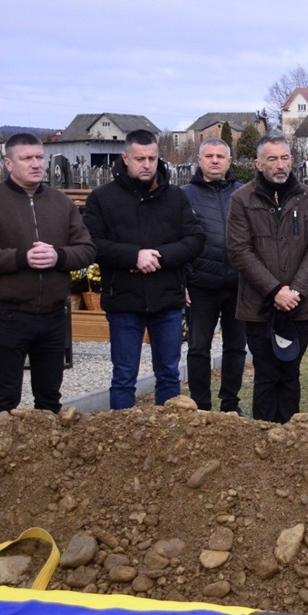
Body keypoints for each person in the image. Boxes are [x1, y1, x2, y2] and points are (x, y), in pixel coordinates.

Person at [0, 133, 96, 415]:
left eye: (39, 157)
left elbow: (86, 250)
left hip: (54, 315)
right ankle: (1, 457)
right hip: (9, 314)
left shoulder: (60, 202)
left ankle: (45, 455)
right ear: (8, 163)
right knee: (6, 397)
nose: (36, 164)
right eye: (27, 158)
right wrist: (21, 258)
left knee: (49, 398)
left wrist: (59, 256)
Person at [84, 130, 204, 410]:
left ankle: (168, 436)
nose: (147, 164)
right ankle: (123, 437)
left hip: (167, 299)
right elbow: (91, 243)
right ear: (125, 158)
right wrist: (133, 256)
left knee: (169, 375)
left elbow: (195, 240)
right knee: (124, 376)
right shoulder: (103, 198)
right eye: (140, 159)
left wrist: (160, 257)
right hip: (124, 299)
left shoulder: (175, 197)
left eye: (152, 158)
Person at [226, 133, 308, 424]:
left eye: (285, 158)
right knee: (267, 372)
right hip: (260, 306)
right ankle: (265, 435)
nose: (280, 164)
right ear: (259, 163)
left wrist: (295, 291)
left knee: (290, 371)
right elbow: (239, 250)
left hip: (298, 305)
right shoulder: (242, 199)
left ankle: (290, 435)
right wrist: (274, 291)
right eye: (272, 159)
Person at [181, 138, 246, 414]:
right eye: (209, 156)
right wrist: (183, 279)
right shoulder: (183, 195)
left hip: (238, 285)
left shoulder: (244, 194)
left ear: (229, 161)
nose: (215, 160)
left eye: (221, 156)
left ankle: (230, 403)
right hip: (200, 284)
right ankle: (201, 406)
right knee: (198, 348)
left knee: (236, 348)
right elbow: (177, 239)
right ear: (199, 160)